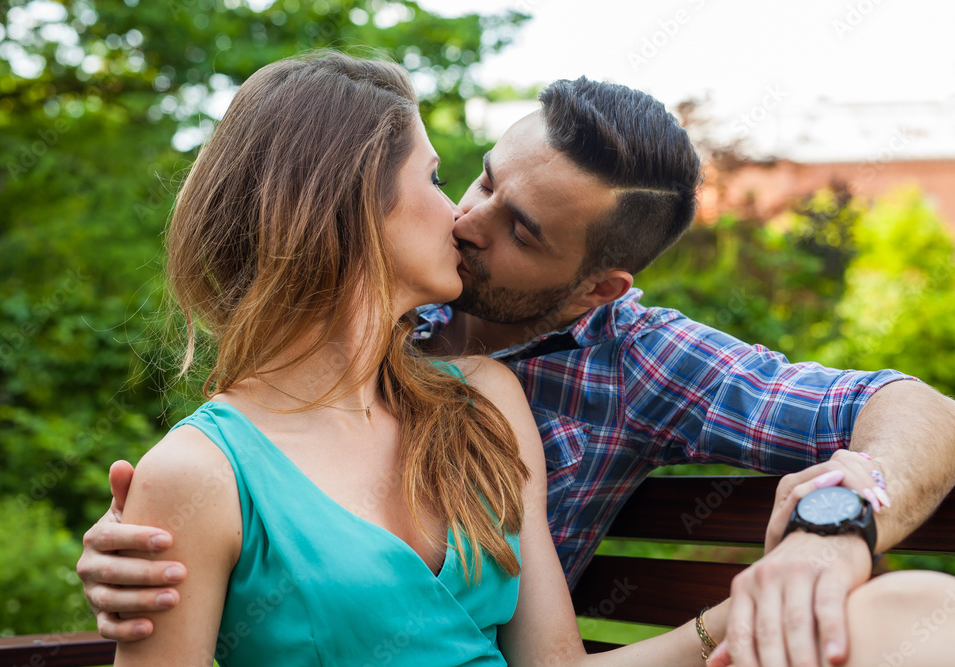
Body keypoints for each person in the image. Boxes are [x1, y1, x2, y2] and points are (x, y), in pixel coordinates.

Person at [79, 58, 955, 666]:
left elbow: (920, 410)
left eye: (520, 229)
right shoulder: (246, 433)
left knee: (916, 610)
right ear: (351, 213)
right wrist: (168, 555)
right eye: (472, 179)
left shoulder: (572, 378)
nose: (466, 219)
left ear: (593, 289)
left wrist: (822, 540)